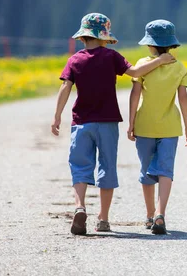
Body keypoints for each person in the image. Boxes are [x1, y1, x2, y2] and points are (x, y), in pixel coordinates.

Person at [51, 13, 175, 235]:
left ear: (83, 38)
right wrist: (160, 60)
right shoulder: (111, 57)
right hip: (107, 123)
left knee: (80, 167)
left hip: (81, 123)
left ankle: (80, 207)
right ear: (104, 38)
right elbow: (135, 73)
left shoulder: (74, 60)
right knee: (106, 168)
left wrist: (57, 115)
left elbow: (65, 87)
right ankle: (103, 219)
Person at [127, 19, 187, 235]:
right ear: (171, 44)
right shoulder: (180, 67)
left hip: (145, 125)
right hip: (170, 127)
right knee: (166, 171)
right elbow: (183, 99)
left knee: (146, 171)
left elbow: (135, 94)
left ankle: (148, 215)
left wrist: (131, 122)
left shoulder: (143, 65)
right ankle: (160, 213)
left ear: (150, 45)